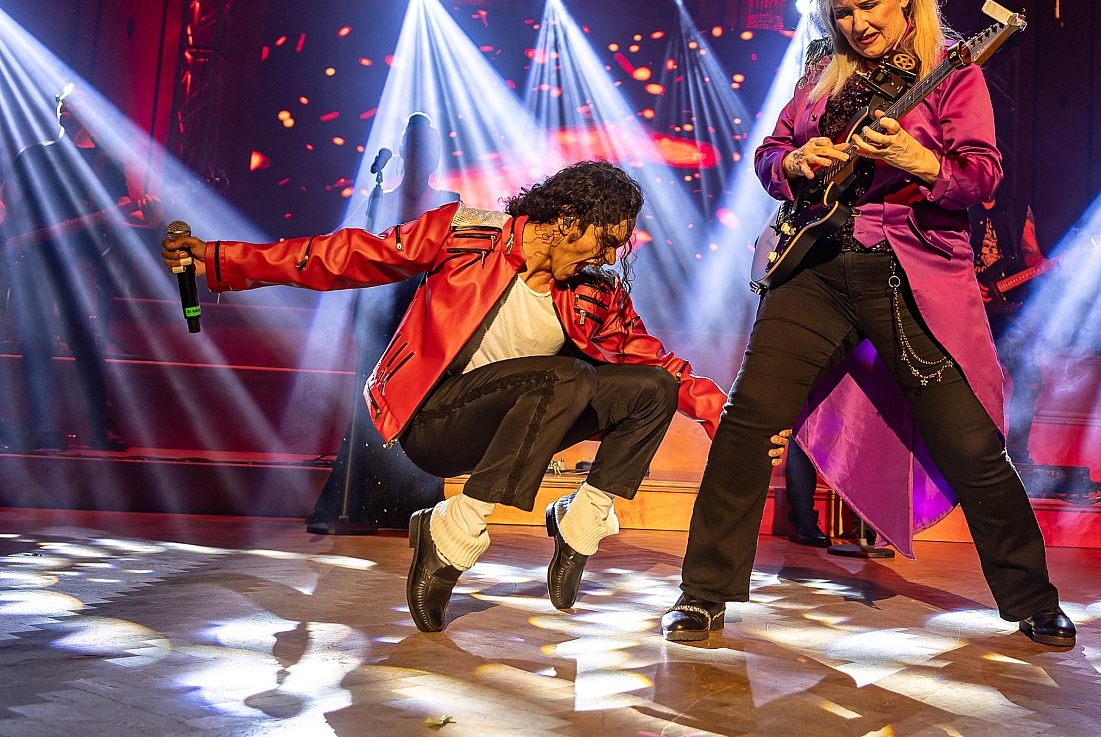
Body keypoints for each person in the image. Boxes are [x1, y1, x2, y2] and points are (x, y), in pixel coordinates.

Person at [662, 0, 1074, 648]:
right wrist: (793, 163)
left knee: (969, 440)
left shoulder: (954, 67)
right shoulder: (821, 72)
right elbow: (770, 151)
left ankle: (1033, 598)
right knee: (750, 420)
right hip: (814, 269)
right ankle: (703, 595)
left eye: (870, 6)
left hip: (908, 272)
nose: (857, 24)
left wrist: (920, 163)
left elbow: (982, 175)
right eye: (844, 11)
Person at [162, 161, 725, 632]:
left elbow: (660, 364)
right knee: (569, 376)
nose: (607, 257)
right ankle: (450, 537)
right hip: (436, 422)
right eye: (605, 240)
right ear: (568, 220)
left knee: (654, 388)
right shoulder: (466, 234)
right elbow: (345, 255)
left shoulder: (593, 294)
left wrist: (728, 419)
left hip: (520, 424)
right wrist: (219, 258)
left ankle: (581, 520)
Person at [306, 112, 459, 531]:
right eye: (415, 149)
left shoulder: (450, 203)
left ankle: (416, 504)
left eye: (429, 151)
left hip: (425, 316)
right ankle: (352, 504)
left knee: (420, 405)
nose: (422, 158)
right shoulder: (378, 200)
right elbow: (343, 245)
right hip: (378, 313)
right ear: (404, 155)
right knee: (371, 405)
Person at [0, 87, 154, 452]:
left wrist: (150, 213)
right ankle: (40, 426)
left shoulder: (106, 163)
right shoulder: (34, 155)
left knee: (86, 340)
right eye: (61, 101)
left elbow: (123, 211)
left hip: (82, 262)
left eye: (72, 101)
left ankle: (101, 426)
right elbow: (6, 201)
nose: (63, 104)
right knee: (36, 341)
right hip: (36, 260)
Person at [973, 201, 1047, 465]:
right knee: (973, 381)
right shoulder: (959, 197)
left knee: (1029, 379)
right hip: (964, 305)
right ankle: (973, 452)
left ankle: (1015, 454)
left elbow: (1030, 253)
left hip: (1003, 310)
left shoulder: (1017, 207)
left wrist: (1045, 265)